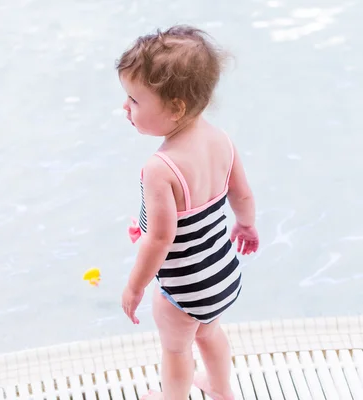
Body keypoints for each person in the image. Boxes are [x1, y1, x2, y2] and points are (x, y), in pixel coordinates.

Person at [117, 25, 260, 400]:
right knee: (209, 333)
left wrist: (135, 285)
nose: (125, 108)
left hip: (185, 288)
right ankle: (221, 389)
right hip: (223, 273)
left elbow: (162, 240)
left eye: (134, 100)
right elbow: (240, 196)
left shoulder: (160, 168)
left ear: (176, 107)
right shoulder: (221, 140)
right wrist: (247, 226)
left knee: (176, 349)